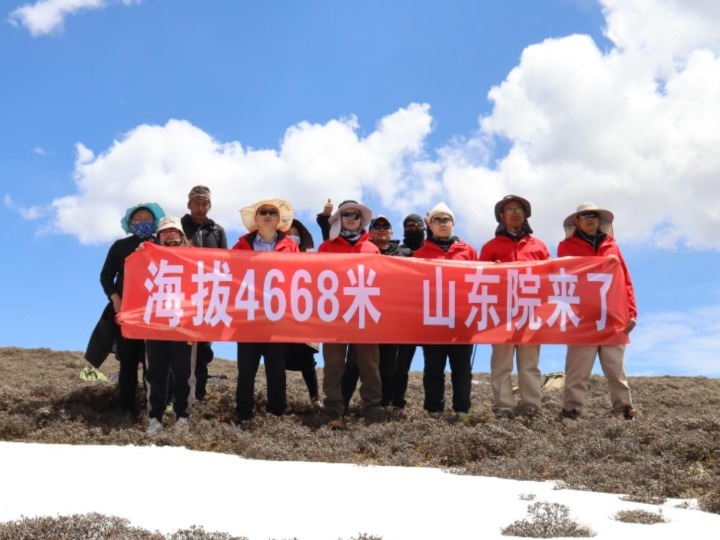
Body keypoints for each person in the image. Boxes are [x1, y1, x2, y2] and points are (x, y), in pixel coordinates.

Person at [557, 202, 637, 420]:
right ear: (577, 221)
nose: (590, 218)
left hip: (612, 316)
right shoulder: (566, 247)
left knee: (616, 368)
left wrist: (631, 312)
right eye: (585, 215)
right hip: (581, 318)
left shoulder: (613, 246)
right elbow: (560, 276)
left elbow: (625, 280)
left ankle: (623, 409)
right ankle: (571, 410)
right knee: (577, 369)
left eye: (593, 215)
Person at [479, 195, 550, 420]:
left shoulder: (539, 246)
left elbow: (550, 278)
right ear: (502, 216)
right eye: (509, 210)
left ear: (526, 214)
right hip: (501, 315)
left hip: (531, 313)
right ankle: (503, 408)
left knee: (530, 365)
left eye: (519, 209)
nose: (515, 213)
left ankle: (532, 407)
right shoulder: (490, 247)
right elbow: (479, 280)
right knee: (501, 364)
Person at [233, 198, 297, 426]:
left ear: (279, 220)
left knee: (277, 368)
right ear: (256, 218)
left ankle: (277, 414)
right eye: (263, 212)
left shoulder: (291, 246)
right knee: (246, 369)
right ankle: (243, 414)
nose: (268, 215)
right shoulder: (240, 245)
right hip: (248, 316)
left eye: (273, 212)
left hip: (277, 316)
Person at [97, 202, 165, 417]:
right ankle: (126, 408)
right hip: (127, 312)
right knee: (127, 362)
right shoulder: (120, 246)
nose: (143, 222)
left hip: (155, 314)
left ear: (155, 222)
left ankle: (152, 409)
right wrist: (115, 299)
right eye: (138, 219)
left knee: (152, 364)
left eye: (147, 218)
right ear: (130, 223)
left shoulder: (161, 244)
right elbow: (106, 275)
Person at [318, 200, 382, 428]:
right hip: (334, 313)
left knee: (369, 362)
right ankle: (334, 408)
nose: (351, 218)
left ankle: (372, 408)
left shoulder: (372, 248)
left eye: (355, 215)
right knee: (334, 363)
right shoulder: (326, 247)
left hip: (364, 312)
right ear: (338, 219)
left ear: (361, 219)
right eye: (346, 215)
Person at [414, 202, 477, 419]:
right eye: (437, 220)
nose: (442, 223)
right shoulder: (420, 254)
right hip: (433, 319)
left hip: (461, 320)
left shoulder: (468, 251)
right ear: (429, 225)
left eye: (446, 219)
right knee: (433, 369)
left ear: (453, 223)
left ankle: (462, 411)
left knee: (462, 369)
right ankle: (433, 411)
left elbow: (479, 281)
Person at [341, 215, 411, 409]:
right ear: (369, 231)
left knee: (388, 363)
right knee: (354, 362)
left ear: (392, 232)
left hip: (391, 317)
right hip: (364, 313)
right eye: (376, 226)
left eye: (385, 226)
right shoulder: (360, 250)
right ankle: (343, 402)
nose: (381, 229)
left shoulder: (404, 254)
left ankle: (383, 404)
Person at [144, 217, 196, 436]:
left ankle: (182, 415)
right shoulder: (147, 257)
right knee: (155, 372)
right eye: (164, 233)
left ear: (182, 236)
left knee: (184, 372)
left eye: (174, 232)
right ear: (158, 237)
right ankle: (154, 417)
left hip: (184, 324)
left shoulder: (196, 258)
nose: (170, 236)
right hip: (156, 324)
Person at [181, 184, 227, 401]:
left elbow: (228, 264)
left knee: (203, 349)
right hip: (181, 297)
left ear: (210, 205)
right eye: (196, 203)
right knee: (180, 347)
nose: (200, 208)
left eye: (204, 203)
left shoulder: (217, 231)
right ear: (189, 204)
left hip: (208, 298)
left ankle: (199, 393)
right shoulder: (178, 228)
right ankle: (177, 394)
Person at [285, 218, 321, 406]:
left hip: (305, 315)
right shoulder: (274, 255)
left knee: (307, 360)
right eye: (289, 234)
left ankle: (315, 398)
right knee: (278, 357)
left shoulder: (311, 258)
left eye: (296, 234)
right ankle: (278, 400)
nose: (293, 237)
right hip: (281, 315)